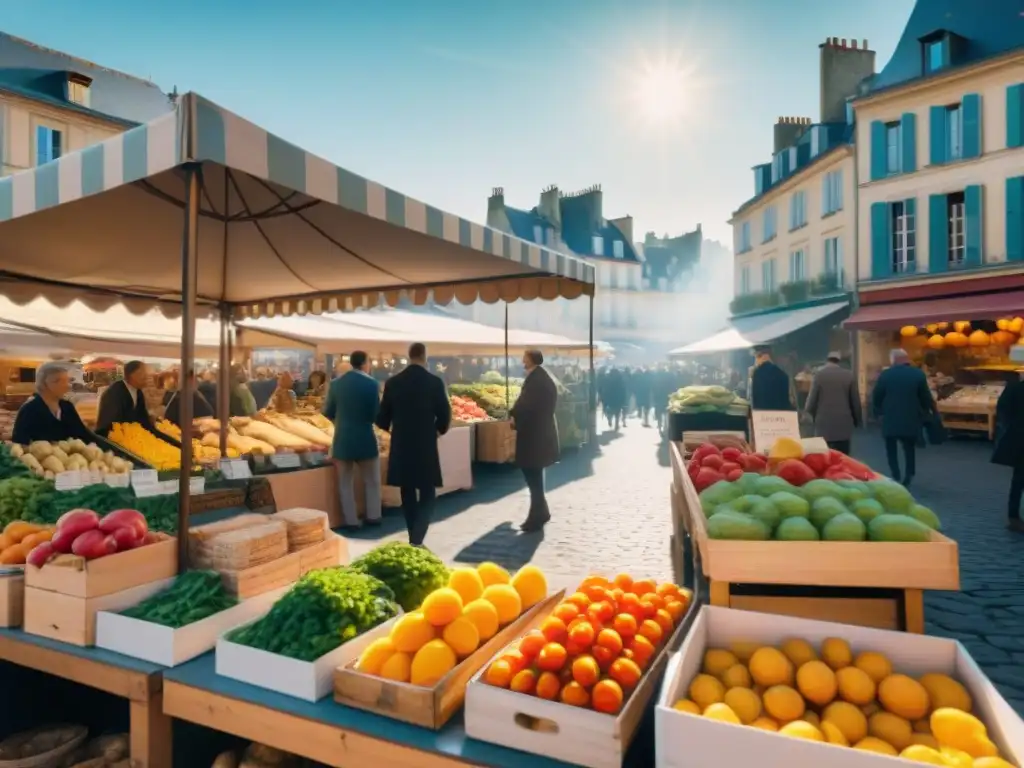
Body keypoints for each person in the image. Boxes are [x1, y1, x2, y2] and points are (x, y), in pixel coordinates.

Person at [376, 343, 452, 547]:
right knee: (428, 490)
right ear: (424, 357)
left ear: (409, 356)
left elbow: (382, 419)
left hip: (402, 441)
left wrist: (394, 428)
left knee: (407, 490)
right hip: (426, 441)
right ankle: (417, 537)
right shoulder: (435, 382)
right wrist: (438, 430)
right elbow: (445, 414)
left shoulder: (393, 383)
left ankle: (413, 535)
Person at [324, 350, 382, 530]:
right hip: (365, 437)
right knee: (372, 480)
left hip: (343, 438)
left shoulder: (335, 384)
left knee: (345, 482)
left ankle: (351, 521)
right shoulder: (372, 384)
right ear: (365, 363)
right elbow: (375, 415)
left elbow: (328, 413)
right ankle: (373, 516)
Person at [510, 349, 559, 532]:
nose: (522, 359)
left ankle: (537, 517)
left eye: (524, 356)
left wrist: (514, 416)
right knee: (534, 477)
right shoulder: (540, 377)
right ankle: (540, 512)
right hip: (538, 434)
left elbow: (526, 405)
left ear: (530, 359)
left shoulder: (537, 380)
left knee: (533, 477)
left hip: (534, 436)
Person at [872, 348, 935, 488]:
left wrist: (878, 412)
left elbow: (877, 396)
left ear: (893, 360)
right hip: (910, 417)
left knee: (891, 447)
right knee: (909, 447)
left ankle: (895, 473)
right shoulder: (918, 374)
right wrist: (926, 412)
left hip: (890, 417)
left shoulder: (886, 375)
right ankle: (909, 474)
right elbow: (925, 397)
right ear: (906, 359)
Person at [13, 362, 95, 445]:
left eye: (68, 381)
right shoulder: (29, 410)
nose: (68, 386)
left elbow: (84, 436)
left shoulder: (67, 407)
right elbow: (19, 445)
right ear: (44, 384)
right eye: (59, 381)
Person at [804, 352, 862, 454]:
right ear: (839, 361)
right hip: (843, 423)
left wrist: (814, 417)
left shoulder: (818, 375)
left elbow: (810, 403)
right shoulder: (849, 375)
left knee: (824, 458)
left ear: (827, 360)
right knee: (843, 458)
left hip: (823, 425)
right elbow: (855, 402)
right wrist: (857, 420)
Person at [992, 370, 1024, 532]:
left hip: (1019, 440)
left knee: (1018, 480)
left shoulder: (1014, 388)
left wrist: (1010, 427)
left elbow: (1003, 409)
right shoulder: (1015, 388)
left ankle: (1014, 517)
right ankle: (1014, 517)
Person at [95, 360, 153, 435]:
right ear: (133, 375)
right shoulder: (114, 393)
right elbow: (110, 424)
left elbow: (143, 420)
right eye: (143, 373)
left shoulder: (138, 392)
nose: (146, 376)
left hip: (129, 436)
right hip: (111, 438)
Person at [749, 346, 795, 411]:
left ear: (759, 355)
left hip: (761, 418)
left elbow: (752, 401)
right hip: (781, 418)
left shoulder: (756, 374)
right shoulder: (783, 375)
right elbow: (789, 402)